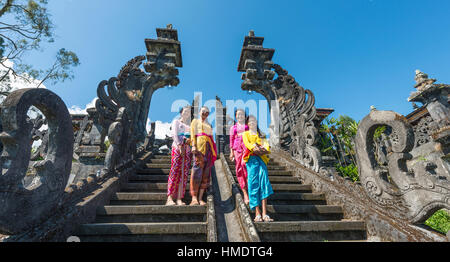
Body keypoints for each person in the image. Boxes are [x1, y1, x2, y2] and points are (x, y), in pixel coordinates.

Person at [242, 115, 274, 222]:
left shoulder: (262, 134)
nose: (252, 123)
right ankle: (257, 213)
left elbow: (267, 148)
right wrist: (258, 149)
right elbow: (249, 145)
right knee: (253, 184)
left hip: (262, 160)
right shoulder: (245, 134)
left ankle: (265, 213)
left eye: (254, 121)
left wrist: (260, 149)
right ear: (247, 124)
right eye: (250, 121)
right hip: (251, 161)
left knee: (264, 183)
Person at [189, 106, 217, 206]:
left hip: (208, 150)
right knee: (196, 172)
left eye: (207, 112)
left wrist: (214, 151)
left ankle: (200, 198)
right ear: (199, 111)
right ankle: (194, 197)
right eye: (203, 111)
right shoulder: (195, 121)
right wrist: (193, 146)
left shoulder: (209, 125)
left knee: (206, 174)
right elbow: (192, 134)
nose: (205, 113)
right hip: (199, 149)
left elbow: (212, 138)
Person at [166, 106, 192, 206]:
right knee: (175, 171)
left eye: (188, 112)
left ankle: (179, 198)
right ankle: (170, 197)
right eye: (185, 111)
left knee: (184, 174)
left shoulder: (189, 126)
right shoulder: (176, 122)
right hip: (177, 149)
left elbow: (191, 139)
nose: (187, 113)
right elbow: (174, 134)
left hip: (187, 151)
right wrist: (180, 145)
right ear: (181, 112)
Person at [229, 109, 250, 205]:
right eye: (238, 114)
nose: (240, 116)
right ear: (236, 116)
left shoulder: (248, 126)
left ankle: (250, 191)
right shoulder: (233, 128)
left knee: (246, 167)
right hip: (237, 149)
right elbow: (231, 140)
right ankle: (245, 193)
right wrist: (231, 153)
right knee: (239, 170)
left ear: (245, 116)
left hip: (247, 148)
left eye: (242, 114)